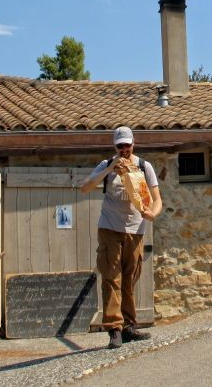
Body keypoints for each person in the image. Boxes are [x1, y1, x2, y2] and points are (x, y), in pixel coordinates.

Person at [80, 126, 163, 349]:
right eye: (120, 146)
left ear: (133, 144)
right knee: (110, 278)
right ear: (114, 147)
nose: (124, 149)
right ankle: (114, 328)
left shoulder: (145, 167)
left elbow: (157, 200)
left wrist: (152, 214)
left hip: (135, 230)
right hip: (110, 228)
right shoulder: (106, 165)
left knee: (130, 279)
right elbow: (85, 188)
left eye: (127, 145)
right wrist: (110, 170)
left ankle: (128, 326)